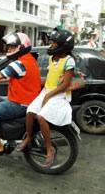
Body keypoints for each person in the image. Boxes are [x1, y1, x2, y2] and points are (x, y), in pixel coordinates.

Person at [16, 28, 75, 166]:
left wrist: (49, 94)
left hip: (59, 94)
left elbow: (65, 84)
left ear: (62, 46)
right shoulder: (51, 58)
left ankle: (49, 149)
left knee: (41, 117)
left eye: (54, 43)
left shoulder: (69, 61)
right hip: (47, 92)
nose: (51, 45)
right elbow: (50, 78)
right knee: (30, 111)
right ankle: (29, 137)